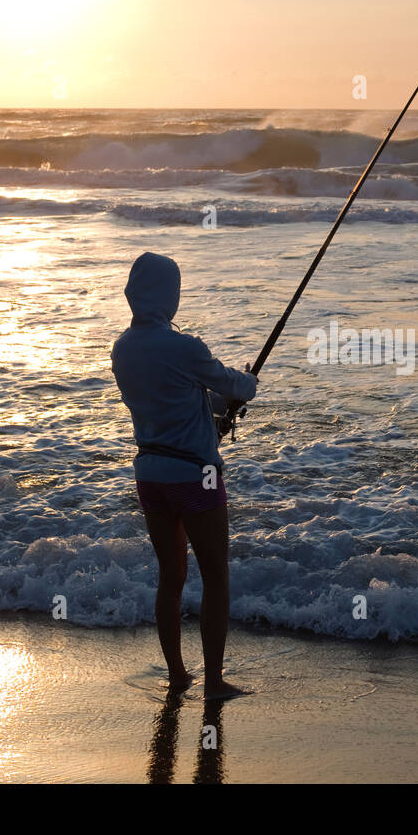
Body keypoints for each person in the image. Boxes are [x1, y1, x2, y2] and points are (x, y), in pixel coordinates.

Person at [111, 252, 257, 699]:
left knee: (170, 575)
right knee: (215, 576)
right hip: (197, 477)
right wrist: (245, 381)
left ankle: (177, 674)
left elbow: (172, 399)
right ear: (167, 294)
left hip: (151, 475)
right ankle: (214, 683)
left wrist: (214, 410)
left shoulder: (123, 348)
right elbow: (238, 387)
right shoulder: (185, 347)